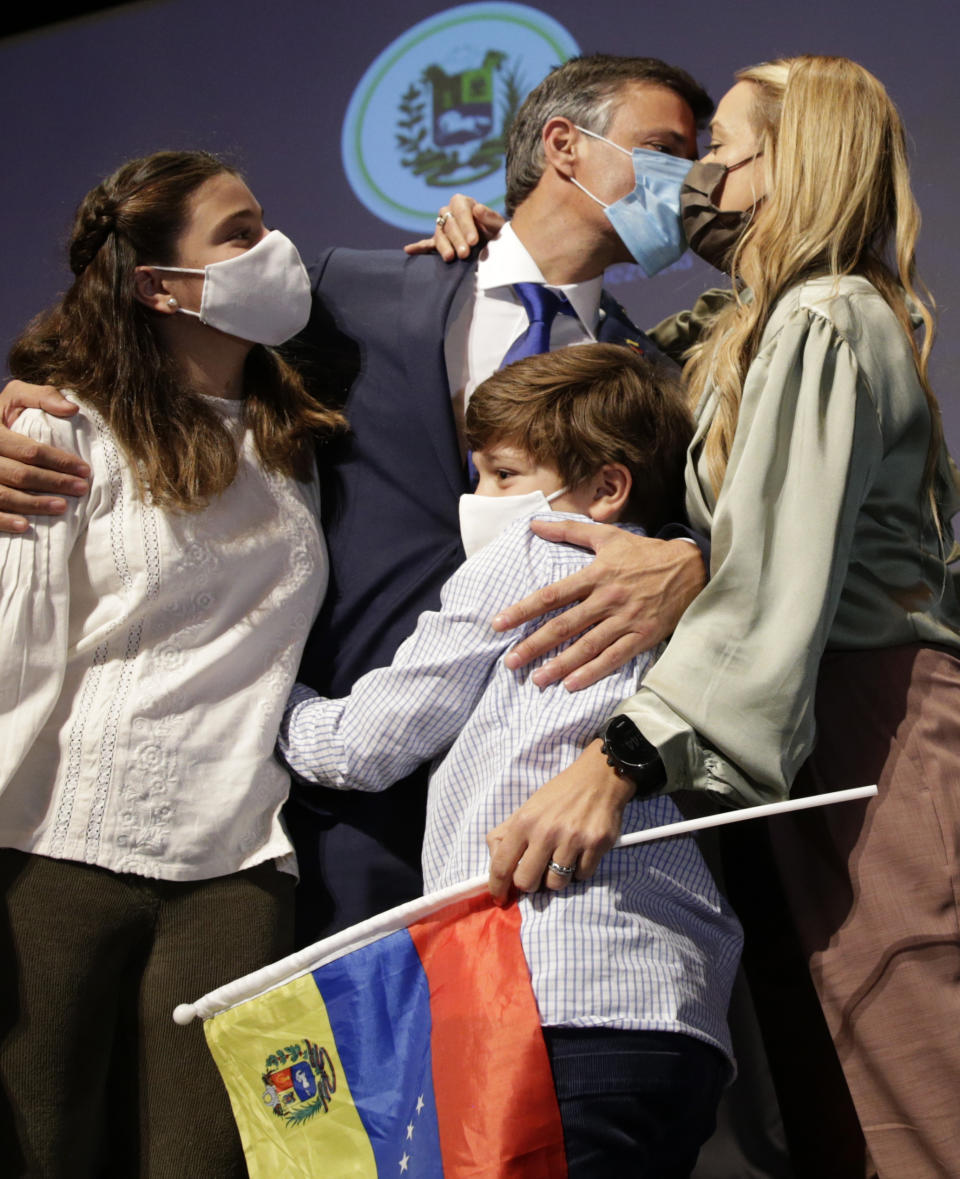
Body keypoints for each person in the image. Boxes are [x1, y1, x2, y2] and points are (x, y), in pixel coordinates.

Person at [0, 55, 716, 944]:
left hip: (542, 810)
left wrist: (690, 558)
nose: (693, 181)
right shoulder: (352, 292)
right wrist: (28, 401)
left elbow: (694, 539)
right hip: (337, 801)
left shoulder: (656, 379)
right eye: (664, 149)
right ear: (564, 145)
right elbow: (160, 364)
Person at [443, 56, 960, 1179]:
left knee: (913, 1085)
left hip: (872, 725)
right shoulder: (752, 324)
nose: (697, 176)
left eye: (721, 148)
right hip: (801, 737)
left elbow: (773, 578)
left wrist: (616, 762)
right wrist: (489, 253)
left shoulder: (824, 317)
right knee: (841, 1097)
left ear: (795, 162)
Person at [278, 343, 743, 1178]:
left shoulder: (532, 558)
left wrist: (267, 696)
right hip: (683, 1019)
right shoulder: (713, 596)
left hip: (546, 1003)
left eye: (501, 473)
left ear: (605, 488)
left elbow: (361, 744)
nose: (477, 499)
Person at [0, 150, 344, 1177]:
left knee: (222, 1160)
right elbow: (15, 656)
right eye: (239, 235)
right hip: (55, 852)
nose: (273, 249)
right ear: (159, 285)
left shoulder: (297, 443)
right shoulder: (63, 429)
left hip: (240, 864)